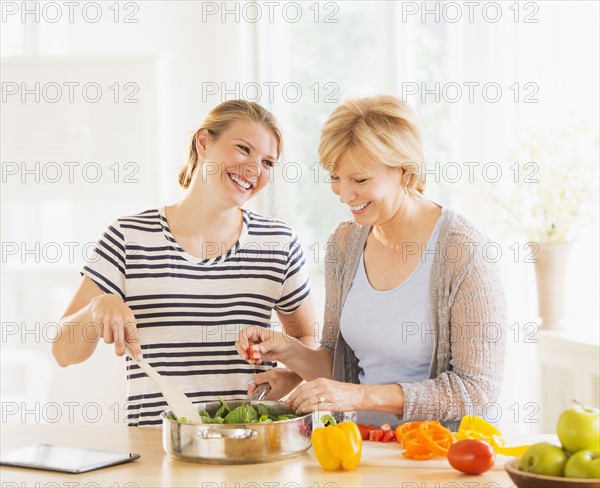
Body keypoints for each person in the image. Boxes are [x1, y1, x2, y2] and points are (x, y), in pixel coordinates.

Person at [238, 95, 506, 431]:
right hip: (363, 449)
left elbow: (477, 391)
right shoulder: (345, 243)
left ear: (405, 173)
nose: (344, 194)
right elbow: (339, 365)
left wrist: (359, 397)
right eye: (335, 176)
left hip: (438, 457)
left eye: (360, 180)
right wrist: (287, 350)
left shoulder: (464, 254)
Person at [52, 100, 316, 426]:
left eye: (267, 162)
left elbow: (307, 340)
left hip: (248, 445)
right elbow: (63, 352)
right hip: (157, 449)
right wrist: (95, 310)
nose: (253, 170)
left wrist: (291, 376)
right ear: (204, 142)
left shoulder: (277, 242)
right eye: (243, 149)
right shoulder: (129, 236)